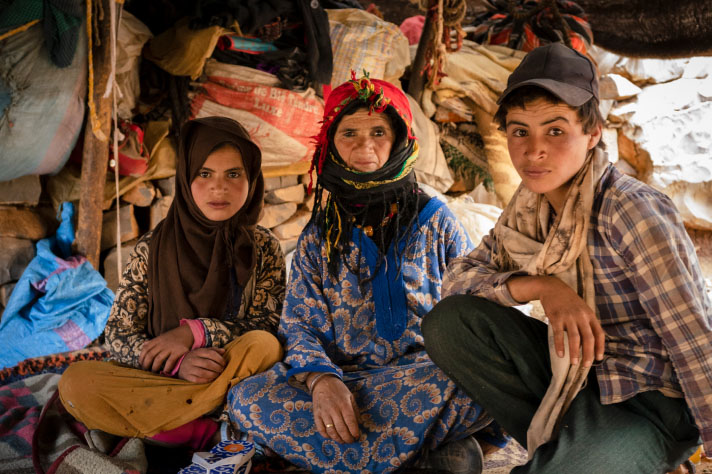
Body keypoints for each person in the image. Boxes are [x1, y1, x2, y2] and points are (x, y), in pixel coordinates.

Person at [422, 42, 711, 473]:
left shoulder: (629, 209)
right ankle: (574, 451)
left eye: (555, 131)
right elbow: (459, 279)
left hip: (652, 402)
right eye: (520, 131)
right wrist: (543, 287)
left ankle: (629, 456)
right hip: (576, 380)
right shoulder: (529, 209)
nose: (534, 150)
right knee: (450, 323)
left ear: (592, 134)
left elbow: (691, 335)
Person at [227, 73, 506, 473]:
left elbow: (469, 310)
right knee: (247, 397)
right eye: (349, 133)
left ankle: (360, 456)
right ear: (331, 147)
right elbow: (299, 325)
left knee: (484, 377)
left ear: (399, 140)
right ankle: (424, 449)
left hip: (424, 378)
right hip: (348, 385)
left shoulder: (437, 222)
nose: (364, 145)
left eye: (378, 131)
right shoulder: (320, 236)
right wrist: (322, 382)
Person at [58, 117, 286, 450]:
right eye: (204, 174)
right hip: (160, 380)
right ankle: (208, 431)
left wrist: (195, 333)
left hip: (227, 372)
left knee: (265, 346)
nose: (218, 187)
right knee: (76, 383)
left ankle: (161, 430)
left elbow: (268, 323)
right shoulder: (152, 248)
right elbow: (119, 336)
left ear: (253, 179)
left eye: (233, 174)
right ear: (185, 178)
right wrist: (178, 363)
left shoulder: (263, 246)